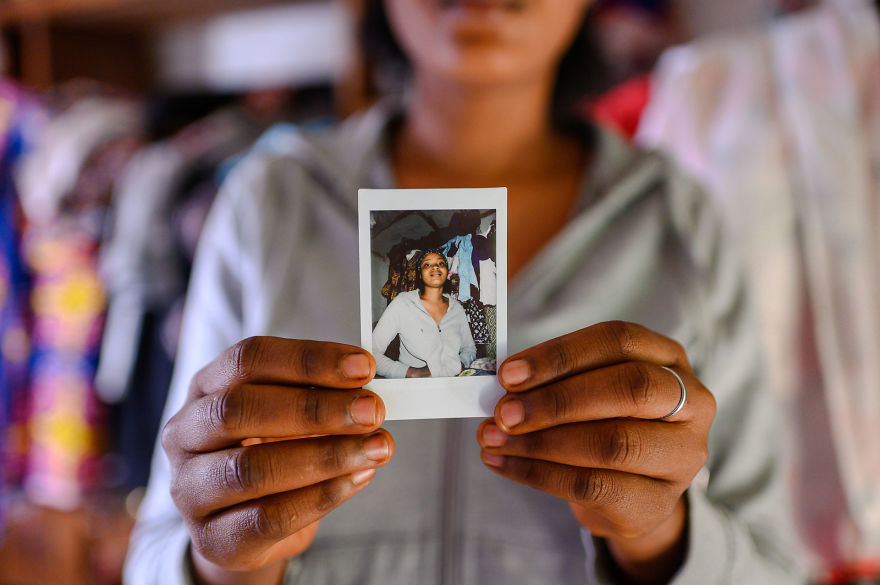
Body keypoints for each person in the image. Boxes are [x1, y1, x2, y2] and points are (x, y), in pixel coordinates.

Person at [125, 1, 806, 584]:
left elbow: (777, 564)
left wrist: (662, 537)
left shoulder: (680, 219)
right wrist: (225, 558)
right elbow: (155, 554)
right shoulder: (271, 201)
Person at [372, 249, 477, 379]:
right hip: (416, 387)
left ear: (447, 272)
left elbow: (469, 348)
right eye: (427, 264)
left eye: (441, 263)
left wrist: (460, 365)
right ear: (420, 274)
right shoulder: (403, 303)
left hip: (453, 385)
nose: (435, 267)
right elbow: (371, 352)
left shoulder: (456, 308)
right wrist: (410, 372)